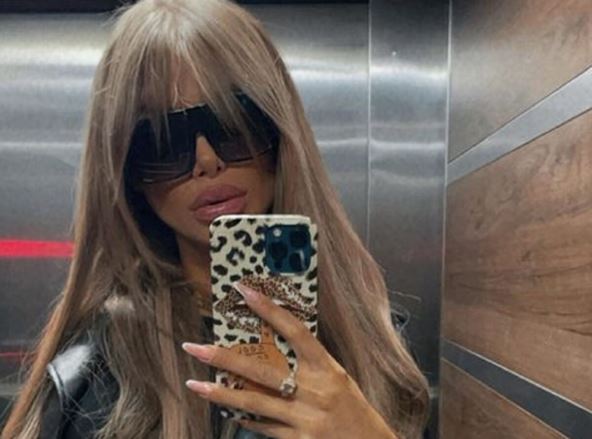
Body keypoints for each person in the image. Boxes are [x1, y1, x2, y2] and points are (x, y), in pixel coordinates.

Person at [1, 0, 430, 438]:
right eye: (164, 141)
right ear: (127, 172)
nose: (206, 161)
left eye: (232, 121)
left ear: (281, 132)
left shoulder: (377, 346)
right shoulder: (91, 381)